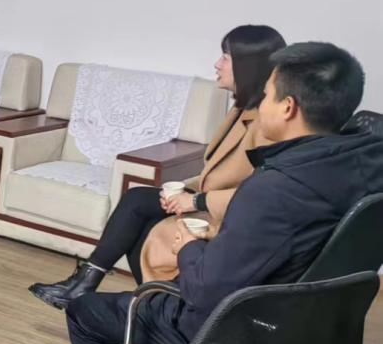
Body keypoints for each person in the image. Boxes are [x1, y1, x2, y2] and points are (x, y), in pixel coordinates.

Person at [66, 42, 383, 344]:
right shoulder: (365, 166)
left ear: (288, 107)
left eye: (267, 95)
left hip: (239, 343)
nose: (261, 105)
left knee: (85, 314)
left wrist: (188, 247)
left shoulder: (276, 188)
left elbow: (204, 292)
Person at [30, 25, 287, 308]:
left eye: (225, 58)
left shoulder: (266, 124)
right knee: (138, 201)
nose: (217, 64)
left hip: (228, 218)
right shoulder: (240, 109)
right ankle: (94, 286)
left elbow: (257, 193)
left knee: (141, 220)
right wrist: (184, 191)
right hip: (208, 203)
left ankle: (123, 296)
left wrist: (195, 200)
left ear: (247, 65)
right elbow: (216, 172)